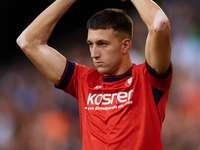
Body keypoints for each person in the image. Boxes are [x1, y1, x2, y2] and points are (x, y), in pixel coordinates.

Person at [16, 0, 172, 149]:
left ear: (125, 45)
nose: (94, 53)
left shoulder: (147, 78)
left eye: (102, 44)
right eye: (90, 44)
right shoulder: (83, 80)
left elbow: (160, 24)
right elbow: (27, 41)